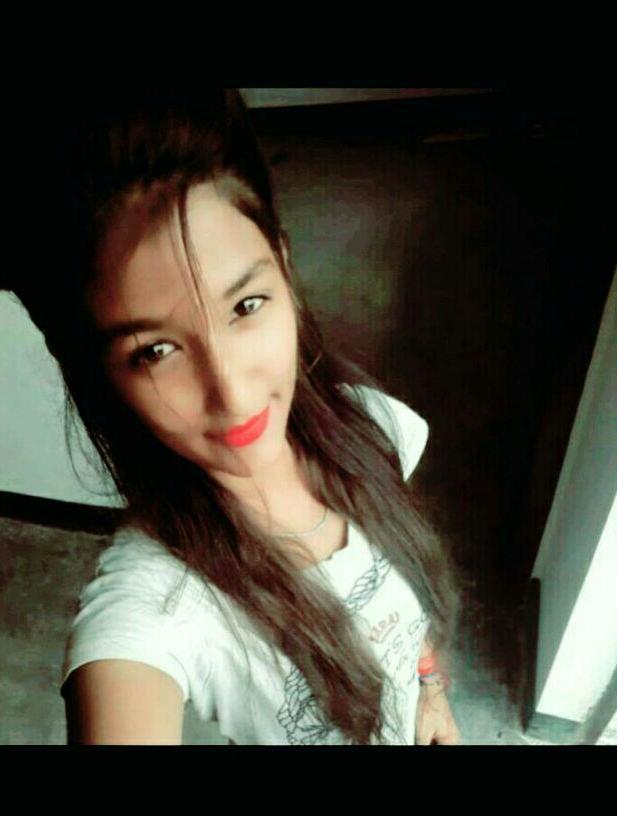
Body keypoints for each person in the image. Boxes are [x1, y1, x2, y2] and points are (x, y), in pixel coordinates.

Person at [4, 88, 463, 745]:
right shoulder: (160, 602)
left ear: (284, 266)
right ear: (102, 375)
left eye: (246, 306)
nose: (232, 393)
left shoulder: (373, 427)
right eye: (155, 351)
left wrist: (431, 693)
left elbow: (403, 596)